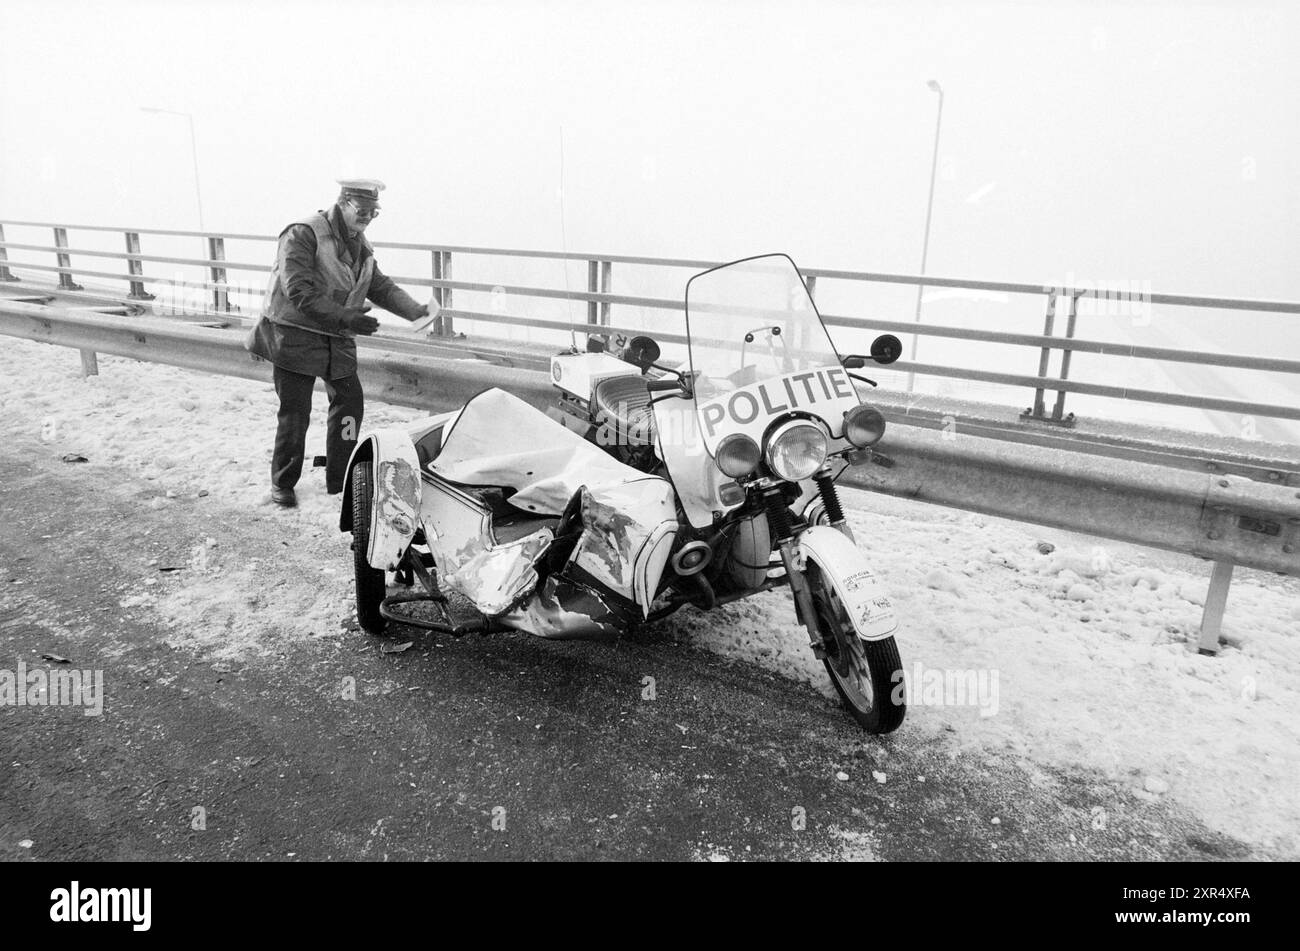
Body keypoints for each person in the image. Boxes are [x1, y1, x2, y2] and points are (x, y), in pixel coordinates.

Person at [246, 179, 430, 508]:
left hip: (337, 337)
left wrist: (415, 311)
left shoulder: (360, 243)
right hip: (294, 336)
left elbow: (379, 286)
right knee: (295, 413)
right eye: (363, 210)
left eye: (374, 212)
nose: (368, 217)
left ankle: (341, 478)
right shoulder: (302, 233)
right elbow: (298, 290)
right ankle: (283, 483)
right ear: (343, 202)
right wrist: (346, 317)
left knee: (349, 404)